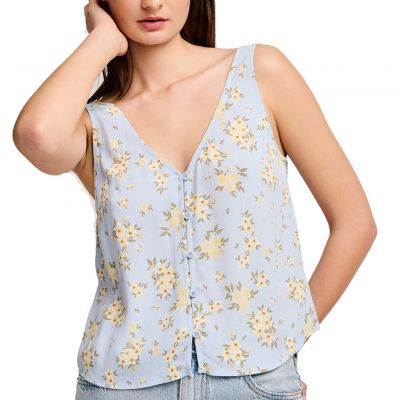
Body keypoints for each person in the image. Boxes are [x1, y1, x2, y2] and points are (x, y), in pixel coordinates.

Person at [13, 0, 377, 399]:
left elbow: (355, 223)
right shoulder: (94, 125)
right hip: (122, 384)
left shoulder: (260, 74)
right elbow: (36, 135)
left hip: (254, 380)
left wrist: (282, 346)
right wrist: (101, 40)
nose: (152, 3)